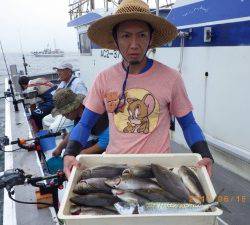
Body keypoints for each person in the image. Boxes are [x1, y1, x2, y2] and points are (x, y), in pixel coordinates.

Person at [63, 0, 214, 178]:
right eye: (126, 36)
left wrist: (205, 154)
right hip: (116, 169)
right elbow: (85, 123)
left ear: (150, 39)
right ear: (116, 39)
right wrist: (70, 153)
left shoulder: (171, 78)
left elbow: (188, 124)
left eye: (141, 35)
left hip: (158, 170)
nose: (134, 44)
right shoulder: (103, 79)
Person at [51, 89, 109, 157]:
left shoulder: (94, 112)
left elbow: (106, 140)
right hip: (101, 139)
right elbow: (75, 132)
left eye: (66, 113)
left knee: (78, 154)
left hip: (112, 142)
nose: (64, 116)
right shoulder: (79, 114)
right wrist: (60, 147)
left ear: (75, 108)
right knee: (73, 150)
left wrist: (84, 153)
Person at [42, 62, 88, 131]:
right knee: (45, 120)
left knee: (53, 128)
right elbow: (55, 97)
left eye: (61, 70)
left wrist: (69, 111)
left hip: (72, 112)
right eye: (57, 71)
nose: (58, 73)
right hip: (63, 111)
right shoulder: (63, 82)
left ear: (69, 71)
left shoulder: (78, 83)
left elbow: (83, 101)